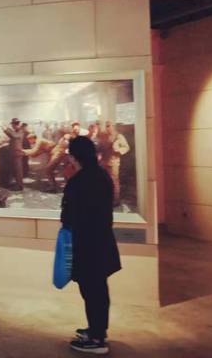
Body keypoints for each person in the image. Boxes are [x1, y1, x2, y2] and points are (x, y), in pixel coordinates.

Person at [61, 136, 121, 355]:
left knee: (92, 290)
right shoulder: (102, 175)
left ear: (75, 156)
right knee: (97, 289)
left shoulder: (79, 180)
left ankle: (97, 340)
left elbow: (69, 215)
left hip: (87, 244)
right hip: (101, 241)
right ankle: (97, 330)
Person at [97, 121, 130, 208]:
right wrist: (99, 154)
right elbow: (100, 148)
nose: (108, 128)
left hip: (113, 162)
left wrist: (118, 150)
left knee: (114, 181)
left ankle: (115, 200)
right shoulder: (104, 136)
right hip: (103, 162)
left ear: (113, 126)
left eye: (109, 126)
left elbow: (126, 147)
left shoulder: (118, 136)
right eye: (107, 126)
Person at [2, 118, 26, 190]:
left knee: (18, 171)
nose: (12, 126)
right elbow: (13, 136)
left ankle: (19, 186)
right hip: (15, 152)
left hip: (17, 152)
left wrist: (6, 129)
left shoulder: (20, 131)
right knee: (16, 170)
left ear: (15, 124)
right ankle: (18, 184)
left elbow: (14, 136)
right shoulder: (18, 131)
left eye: (13, 125)